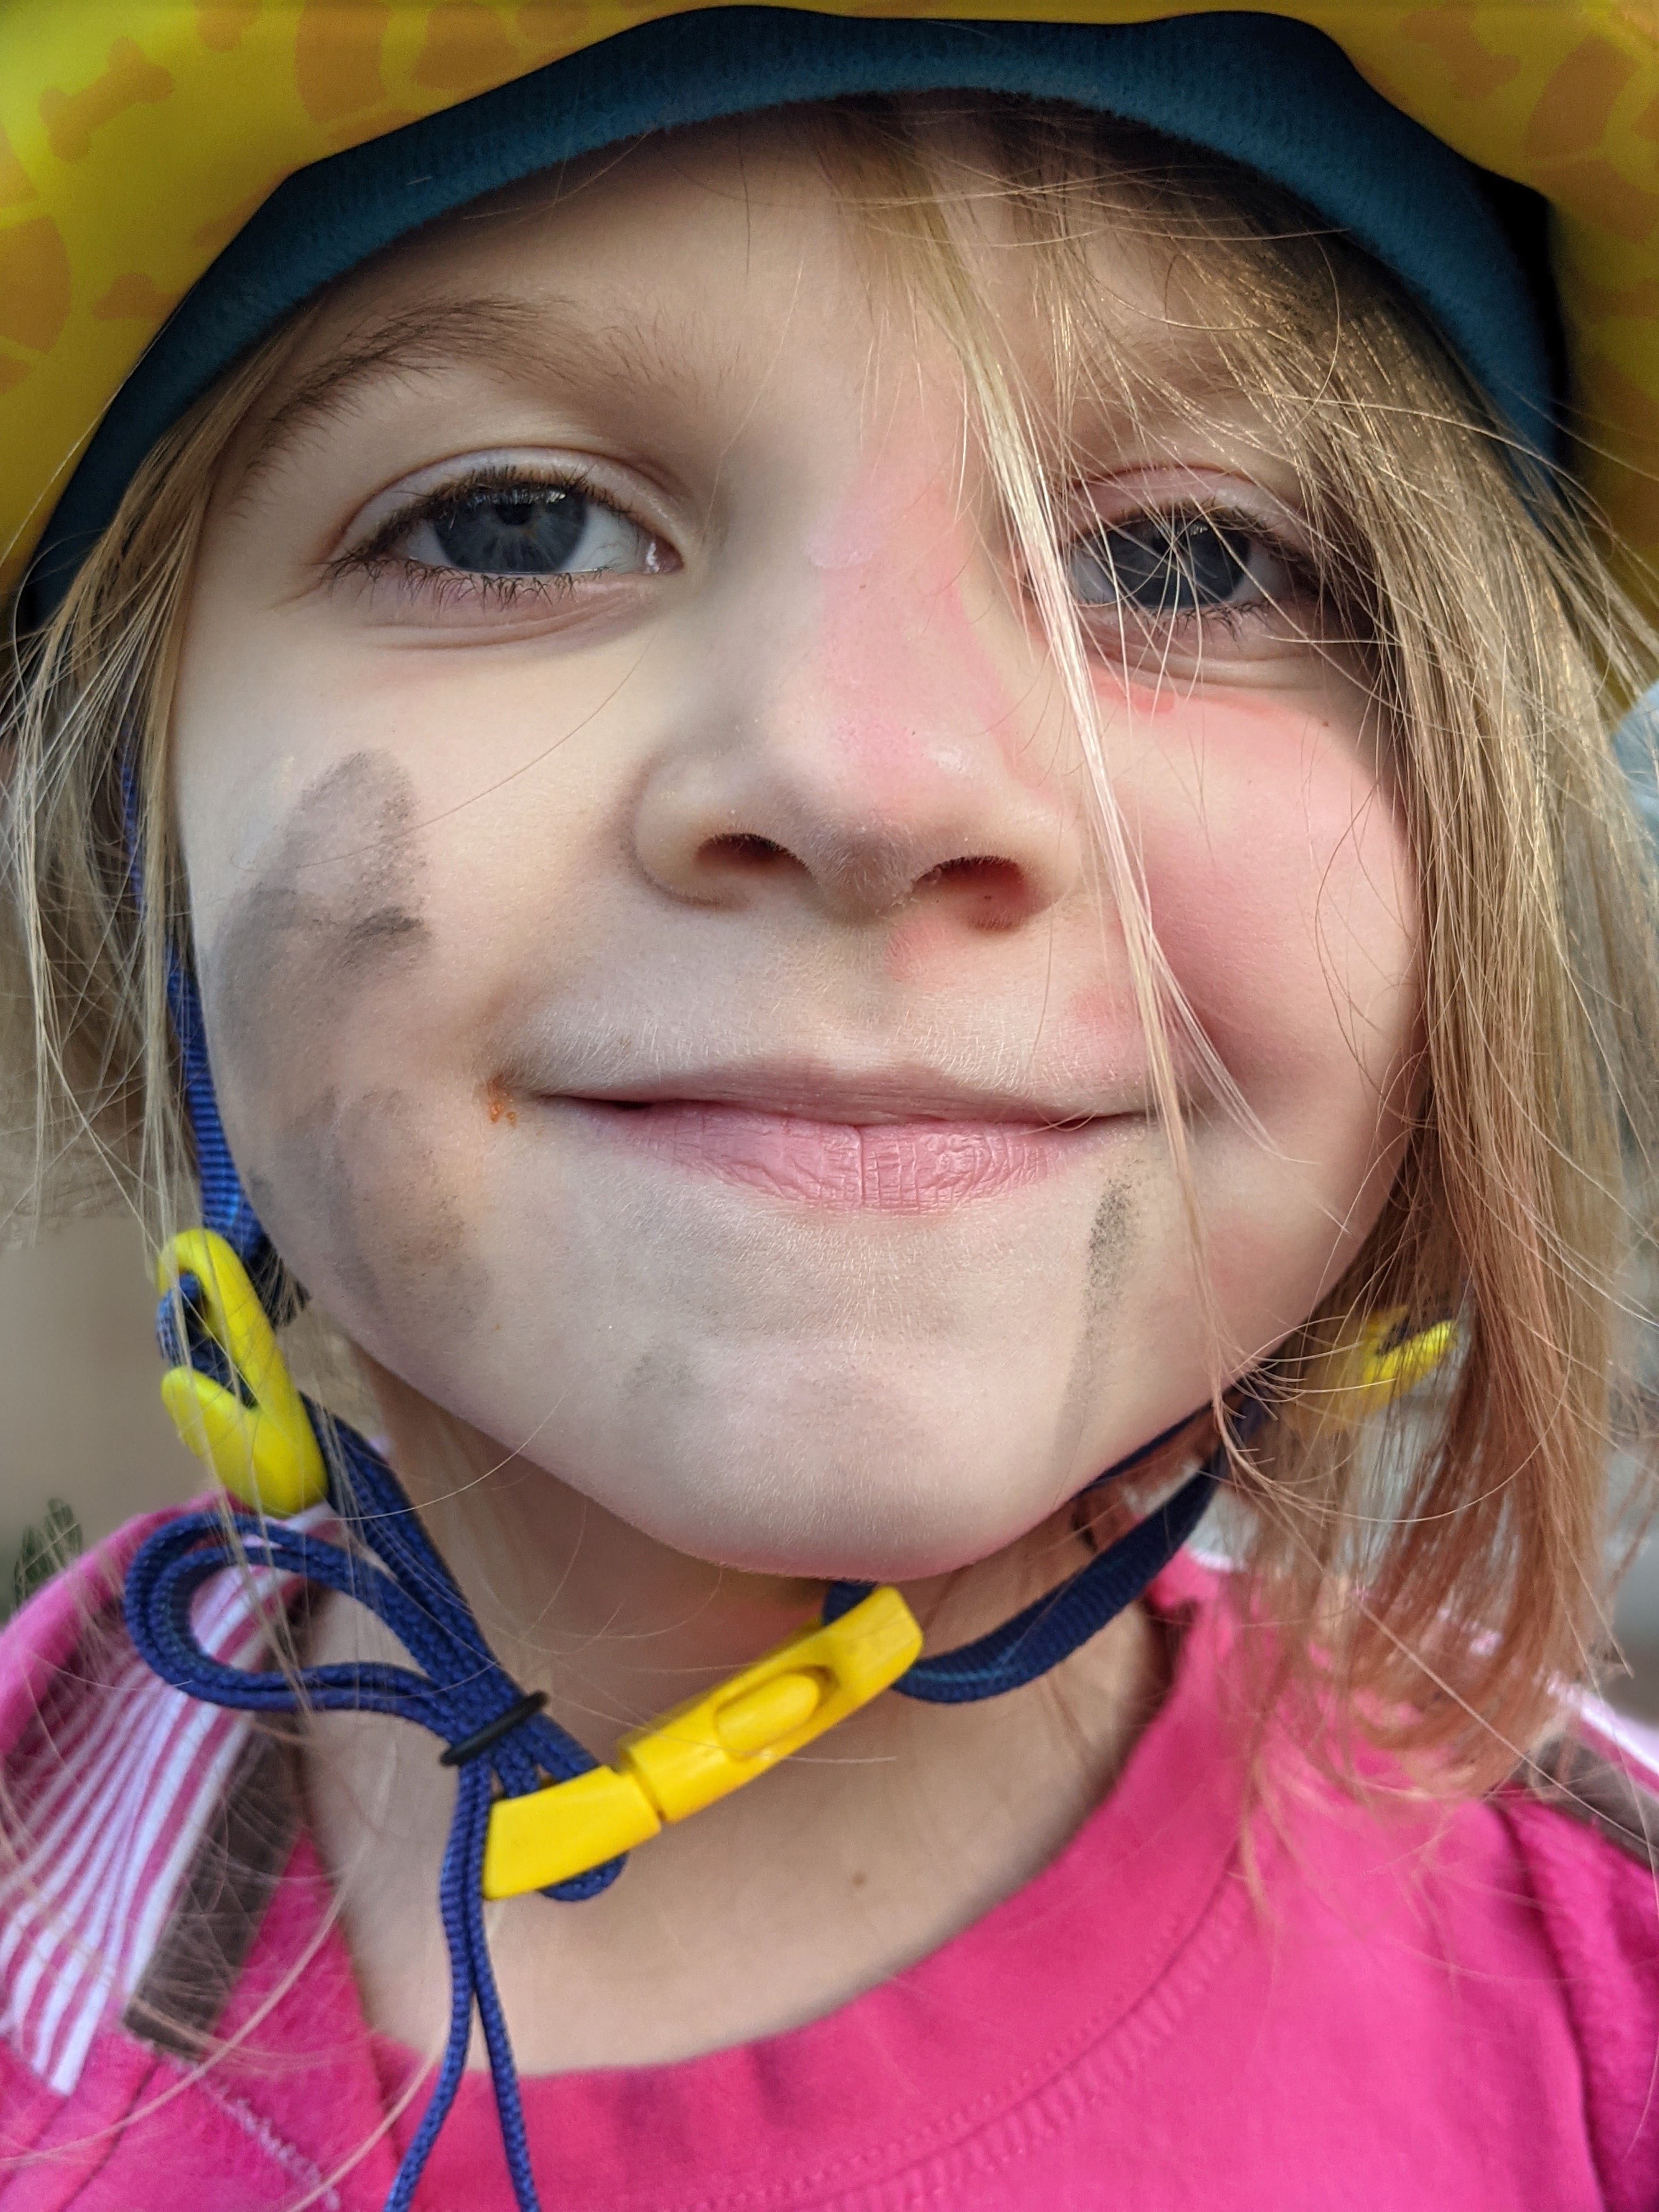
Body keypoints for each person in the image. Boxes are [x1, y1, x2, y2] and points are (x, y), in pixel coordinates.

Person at [0, 7, 1656, 2207]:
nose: (872, 781)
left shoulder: (1606, 1998)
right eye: (519, 521)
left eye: (1182, 562)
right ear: (127, 825)